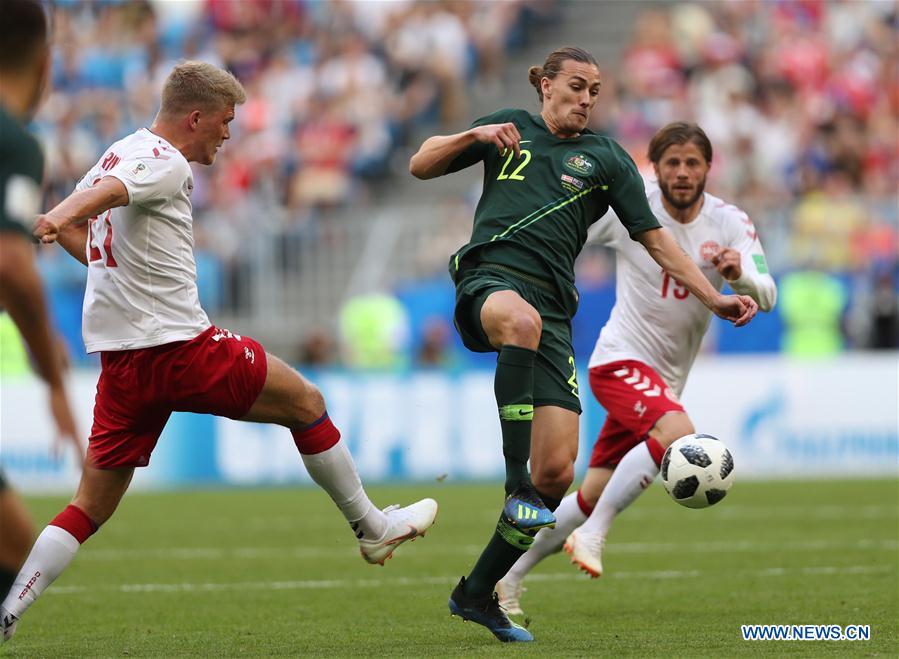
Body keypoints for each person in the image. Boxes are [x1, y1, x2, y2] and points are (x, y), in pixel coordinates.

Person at [0, 60, 438, 645]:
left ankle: (6, 614)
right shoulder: (164, 160)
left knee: (87, 508)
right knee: (306, 401)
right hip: (180, 348)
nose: (228, 135)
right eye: (225, 122)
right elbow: (108, 196)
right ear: (196, 117)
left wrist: (63, 222)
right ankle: (372, 526)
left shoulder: (117, 149)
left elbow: (96, 236)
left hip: (123, 366)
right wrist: (56, 216)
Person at [409, 48, 758, 642]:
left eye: (595, 90)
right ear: (544, 85)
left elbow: (658, 239)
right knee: (519, 331)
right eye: (576, 86)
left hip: (552, 314)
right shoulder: (507, 131)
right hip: (490, 282)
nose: (586, 98)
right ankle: (512, 482)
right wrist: (474, 132)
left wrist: (714, 298)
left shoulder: (605, 159)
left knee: (557, 472)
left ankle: (478, 592)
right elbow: (421, 163)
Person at [496, 122, 777, 616]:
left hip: (663, 383)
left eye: (693, 163)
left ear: (708, 168)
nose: (683, 173)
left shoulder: (730, 222)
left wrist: (742, 276)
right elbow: (568, 225)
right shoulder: (634, 205)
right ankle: (595, 535)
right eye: (672, 163)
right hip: (619, 360)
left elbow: (768, 294)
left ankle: (506, 577)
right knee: (679, 432)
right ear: (656, 167)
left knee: (588, 494)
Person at [0, 0, 81, 604]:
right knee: (10, 550)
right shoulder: (15, 142)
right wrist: (53, 378)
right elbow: (12, 264)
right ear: (46, 61)